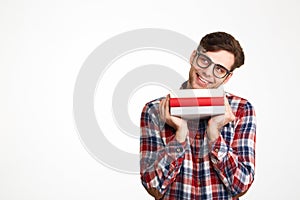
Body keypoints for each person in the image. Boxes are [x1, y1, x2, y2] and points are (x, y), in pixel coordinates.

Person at [139, 31, 256, 199]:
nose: (208, 72)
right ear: (194, 56)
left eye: (220, 69)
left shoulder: (241, 110)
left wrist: (214, 134)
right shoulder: (155, 110)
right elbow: (153, 188)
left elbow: (241, 186)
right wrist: (179, 136)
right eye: (205, 61)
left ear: (227, 77)